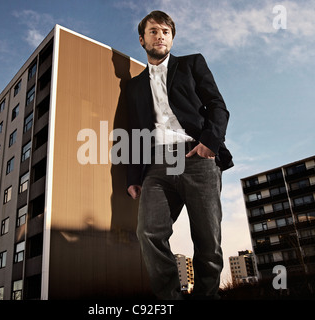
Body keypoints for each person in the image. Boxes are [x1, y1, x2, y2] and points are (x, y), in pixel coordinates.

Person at [126, 10, 233, 300]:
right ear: (141, 39)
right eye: (153, 31)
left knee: (208, 240)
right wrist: (133, 176)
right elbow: (134, 129)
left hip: (197, 155)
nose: (160, 36)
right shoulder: (133, 85)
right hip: (157, 165)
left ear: (172, 38)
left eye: (165, 31)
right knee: (149, 233)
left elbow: (217, 105)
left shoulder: (192, 64)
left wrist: (210, 141)